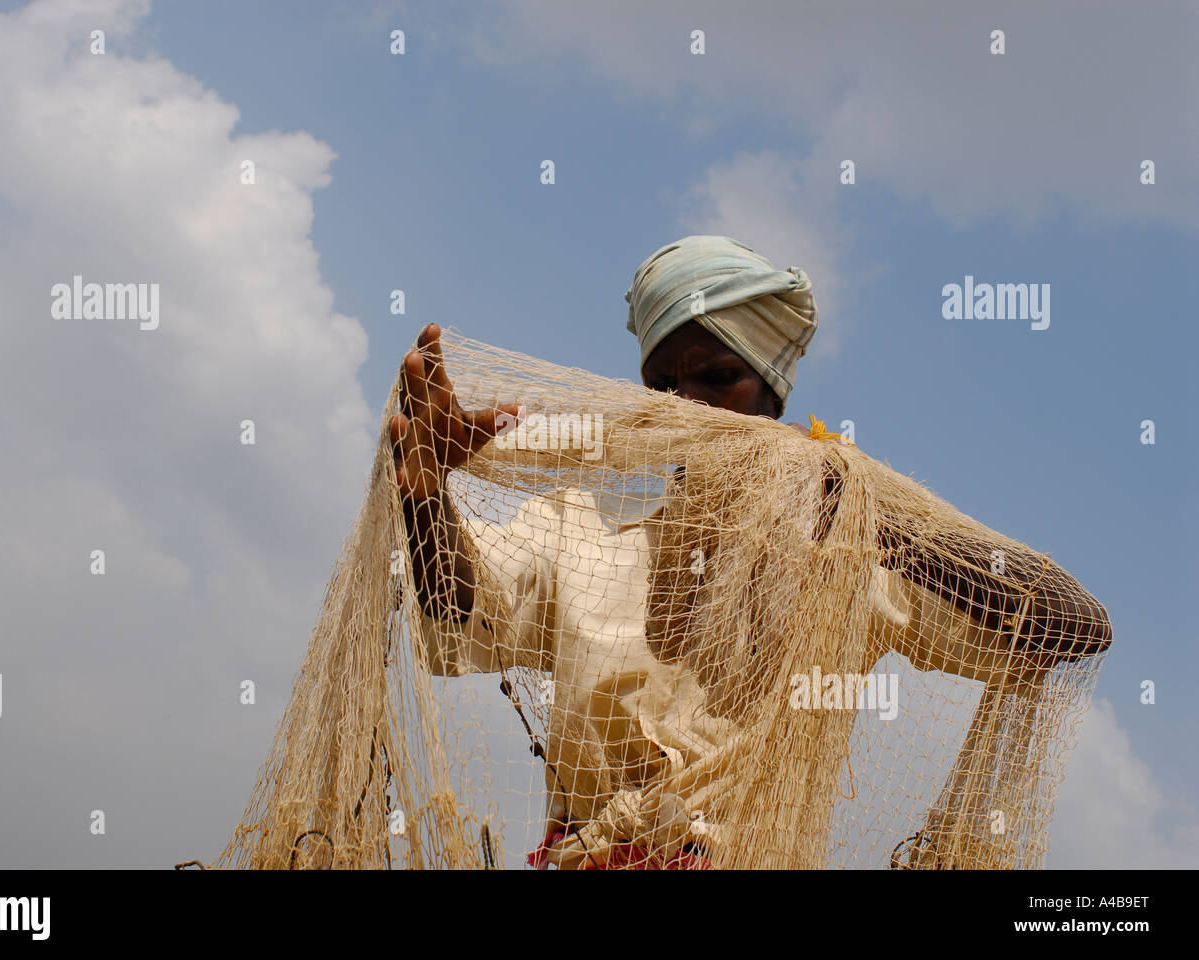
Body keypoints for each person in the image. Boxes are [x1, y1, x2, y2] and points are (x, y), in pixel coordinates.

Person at [390, 235, 1111, 869]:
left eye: (716, 378)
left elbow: (1072, 626)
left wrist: (872, 520)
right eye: (663, 385)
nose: (686, 407)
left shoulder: (846, 558)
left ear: (773, 396)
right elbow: (462, 610)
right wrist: (426, 497)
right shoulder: (581, 529)